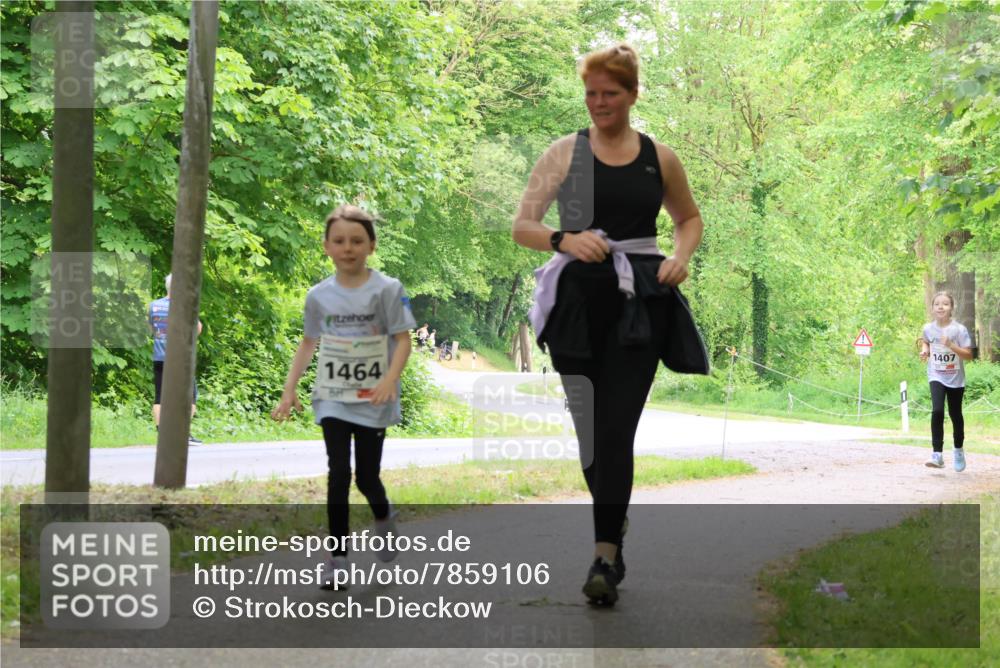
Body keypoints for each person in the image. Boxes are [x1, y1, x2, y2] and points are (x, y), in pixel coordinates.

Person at [512, 43, 709, 606]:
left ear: (632, 94)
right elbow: (523, 226)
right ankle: (613, 519)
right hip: (575, 308)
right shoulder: (563, 153)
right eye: (591, 93)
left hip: (638, 305)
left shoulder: (659, 158)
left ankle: (604, 557)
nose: (599, 103)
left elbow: (689, 218)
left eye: (610, 93)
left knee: (617, 429)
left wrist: (681, 256)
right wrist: (564, 239)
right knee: (592, 437)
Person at [271, 204, 416, 589]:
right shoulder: (318, 296)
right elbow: (308, 343)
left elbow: (403, 340)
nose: (347, 248)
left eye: (356, 240)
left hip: (374, 397)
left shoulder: (387, 290)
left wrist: (389, 380)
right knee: (338, 474)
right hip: (333, 396)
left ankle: (383, 517)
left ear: (371, 245)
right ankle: (337, 561)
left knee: (367, 478)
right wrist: (289, 389)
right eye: (339, 241)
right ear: (326, 247)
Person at [919, 290, 974, 471]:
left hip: (955, 377)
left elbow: (968, 355)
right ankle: (937, 454)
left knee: (955, 414)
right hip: (936, 375)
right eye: (937, 304)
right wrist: (925, 350)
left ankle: (958, 449)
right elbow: (925, 340)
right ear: (932, 308)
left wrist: (951, 345)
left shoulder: (959, 330)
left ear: (951, 308)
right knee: (937, 410)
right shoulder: (928, 328)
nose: (941, 307)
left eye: (945, 304)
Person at [149, 273, 203, 445]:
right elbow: (197, 328)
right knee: (189, 397)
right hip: (180, 358)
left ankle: (162, 434)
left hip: (159, 358)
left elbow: (151, 328)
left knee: (160, 397)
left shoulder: (153, 306)